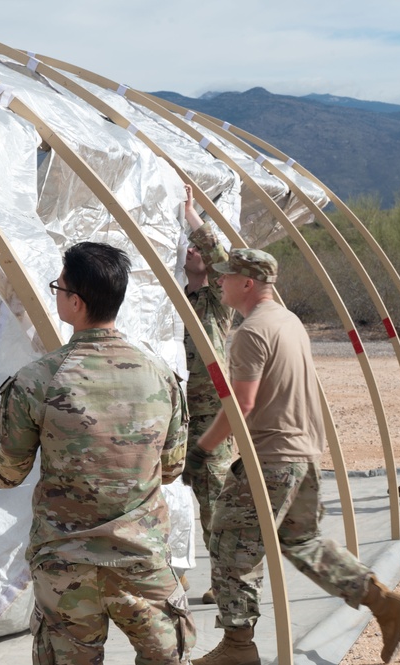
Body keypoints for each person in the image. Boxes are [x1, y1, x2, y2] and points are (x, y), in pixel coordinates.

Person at [184, 249, 400, 665]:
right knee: (302, 541)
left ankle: (238, 648)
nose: (220, 282)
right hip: (304, 456)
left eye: (226, 276)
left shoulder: (251, 332)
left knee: (230, 545)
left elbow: (243, 401)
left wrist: (202, 449)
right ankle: (383, 603)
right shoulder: (288, 321)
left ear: (248, 283)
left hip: (271, 459)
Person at [0, 241, 194, 665]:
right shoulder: (160, 377)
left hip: (65, 565)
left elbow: (8, 473)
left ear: (74, 301)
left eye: (58, 286)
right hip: (140, 560)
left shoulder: (37, 380)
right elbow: (171, 468)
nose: (55, 294)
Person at [178, 183, 235, 604]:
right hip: (176, 415)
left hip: (211, 415)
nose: (191, 251)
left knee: (213, 501)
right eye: (187, 248)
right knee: (167, 497)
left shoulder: (217, 300)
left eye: (195, 248)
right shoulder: (175, 299)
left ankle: (222, 581)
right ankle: (174, 576)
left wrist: (192, 215)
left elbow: (221, 260)